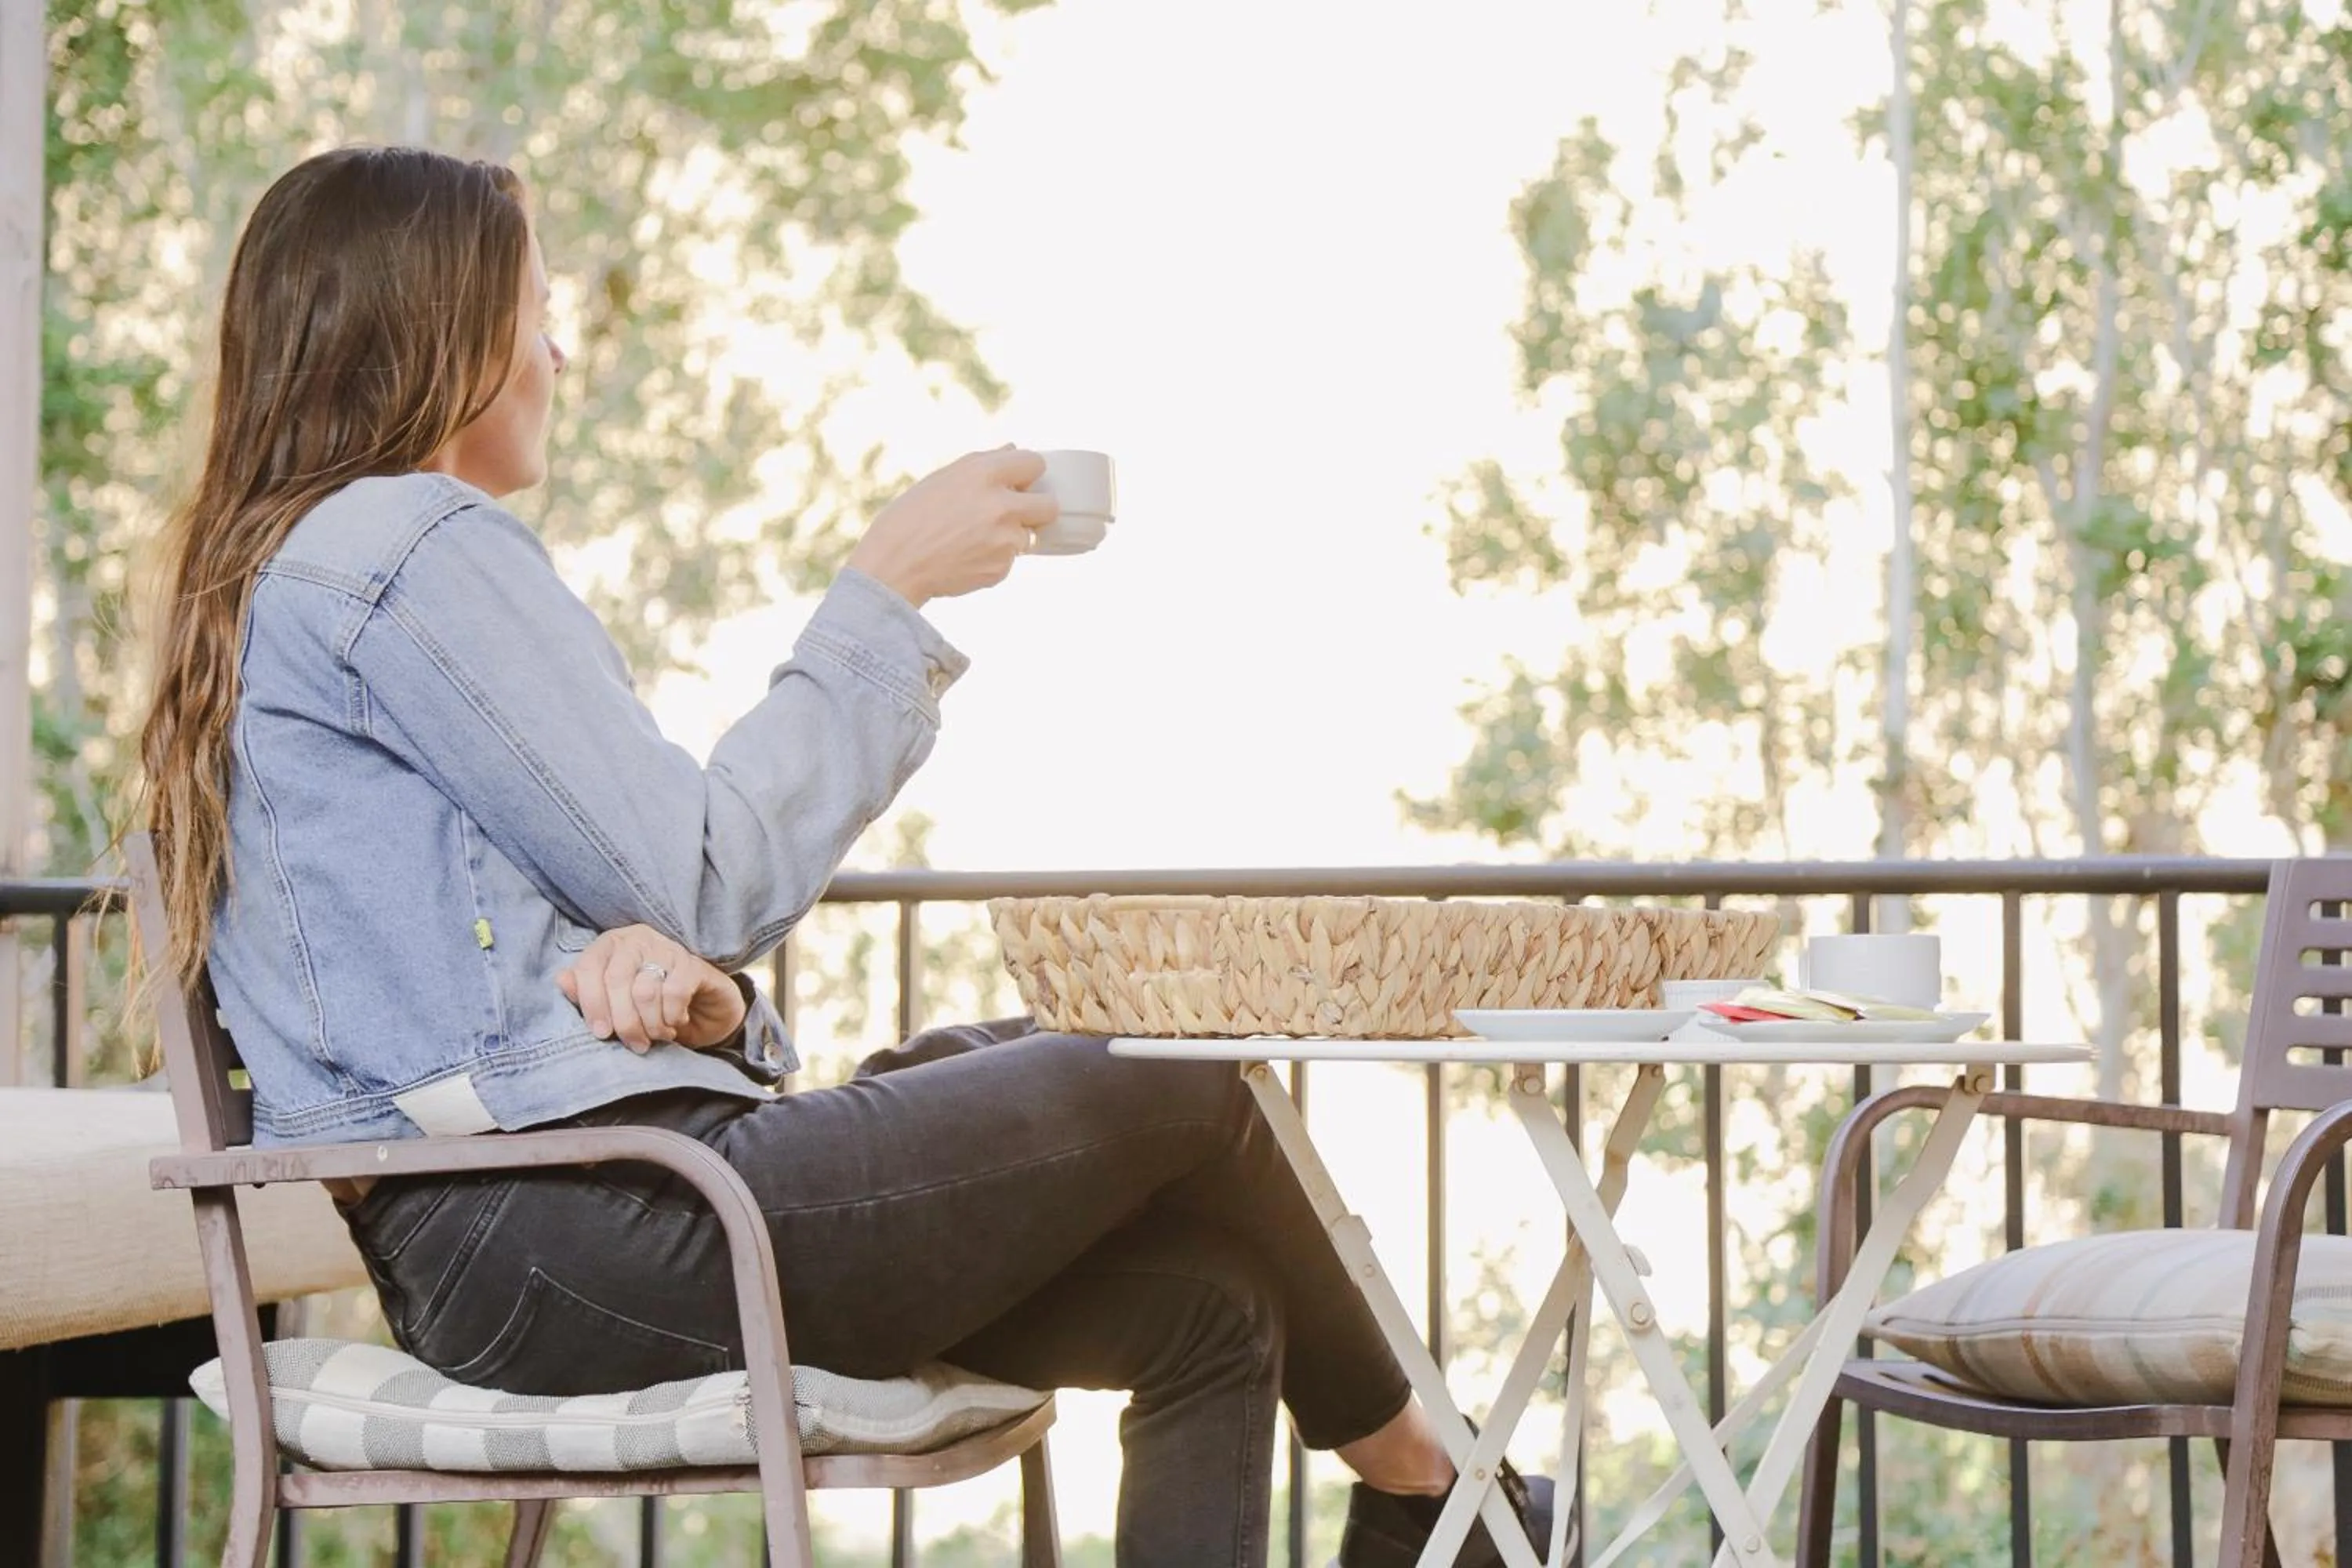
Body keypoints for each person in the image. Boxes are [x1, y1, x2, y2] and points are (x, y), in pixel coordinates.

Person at [136, 145, 1551, 1567]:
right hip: (600, 1228)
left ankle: (1432, 1499)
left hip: (549, 1238)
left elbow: (551, 947)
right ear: (443, 332)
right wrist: (888, 589)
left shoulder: (284, 580)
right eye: (538, 311)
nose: (559, 351)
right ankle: (1437, 1495)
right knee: (1172, 1069)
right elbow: (708, 879)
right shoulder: (400, 543)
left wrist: (691, 993)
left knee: (1208, 1301)